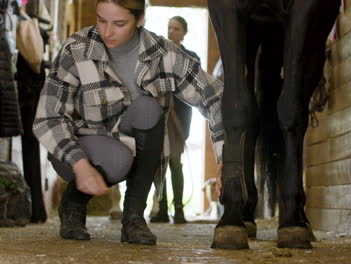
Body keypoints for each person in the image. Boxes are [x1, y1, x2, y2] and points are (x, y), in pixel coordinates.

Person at [33, 0, 223, 246]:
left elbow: (217, 97)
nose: (107, 32)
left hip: (129, 146)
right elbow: (48, 116)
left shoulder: (163, 54)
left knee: (148, 107)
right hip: (79, 149)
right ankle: (74, 202)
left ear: (140, 20)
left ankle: (133, 217)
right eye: (101, 20)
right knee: (118, 159)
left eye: (119, 23)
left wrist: (224, 157)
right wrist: (80, 166)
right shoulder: (77, 47)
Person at [150, 16, 199, 224]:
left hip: (180, 114)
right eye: (169, 28)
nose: (171, 32)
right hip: (160, 113)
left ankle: (178, 210)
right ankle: (162, 209)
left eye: (176, 28)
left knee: (175, 161)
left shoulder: (191, 57)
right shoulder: (158, 56)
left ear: (184, 32)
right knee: (159, 162)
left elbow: (193, 85)